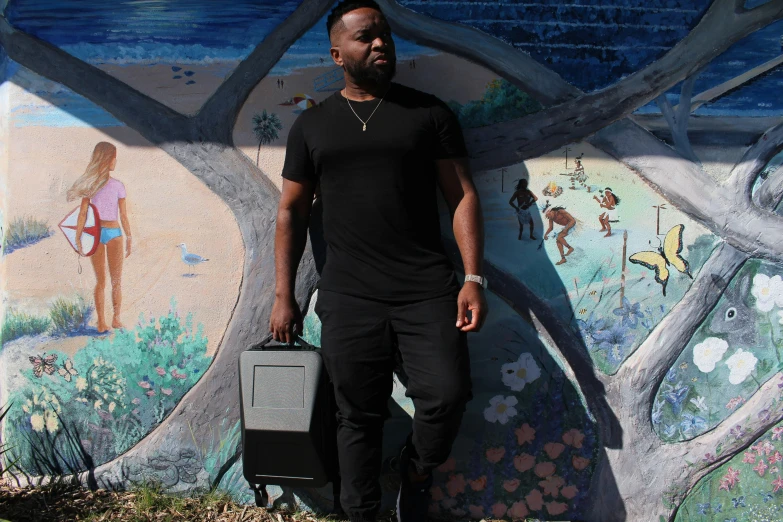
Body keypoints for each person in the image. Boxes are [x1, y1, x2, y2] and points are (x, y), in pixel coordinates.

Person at [269, 2, 487, 521]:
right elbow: (290, 212)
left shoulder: (429, 114)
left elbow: (462, 197)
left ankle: (415, 470)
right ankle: (361, 513)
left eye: (384, 35)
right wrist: (284, 294)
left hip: (427, 291)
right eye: (366, 37)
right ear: (338, 53)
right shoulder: (312, 126)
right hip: (349, 296)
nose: (381, 44)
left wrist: (473, 276)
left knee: (446, 397)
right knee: (357, 417)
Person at [67, 142, 132, 333]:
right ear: (107, 159)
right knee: (115, 281)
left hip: (96, 233)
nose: (115, 161)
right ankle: (114, 319)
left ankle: (104, 322)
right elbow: (123, 216)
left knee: (102, 282)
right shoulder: (117, 186)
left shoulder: (91, 186)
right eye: (113, 157)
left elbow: (82, 214)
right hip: (113, 234)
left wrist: (79, 237)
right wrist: (129, 237)